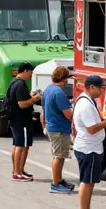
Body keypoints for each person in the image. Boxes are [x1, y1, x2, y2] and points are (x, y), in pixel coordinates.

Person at [72, 74, 106, 209]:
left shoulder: (88, 100)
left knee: (90, 181)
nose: (102, 91)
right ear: (91, 87)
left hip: (91, 147)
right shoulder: (85, 104)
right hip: (88, 148)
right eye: (100, 88)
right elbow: (92, 129)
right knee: (86, 181)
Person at [40, 65, 76, 194]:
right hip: (59, 128)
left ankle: (59, 180)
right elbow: (68, 114)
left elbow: (43, 111)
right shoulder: (59, 92)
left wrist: (44, 125)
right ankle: (55, 183)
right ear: (65, 78)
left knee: (59, 155)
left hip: (52, 126)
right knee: (59, 156)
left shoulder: (48, 90)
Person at [7, 62, 42, 182]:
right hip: (22, 119)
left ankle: (18, 170)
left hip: (15, 118)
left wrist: (29, 96)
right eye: (30, 73)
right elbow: (22, 104)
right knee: (22, 146)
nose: (31, 75)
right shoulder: (20, 85)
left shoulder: (13, 82)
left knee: (18, 144)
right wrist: (34, 99)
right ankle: (17, 173)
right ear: (26, 71)